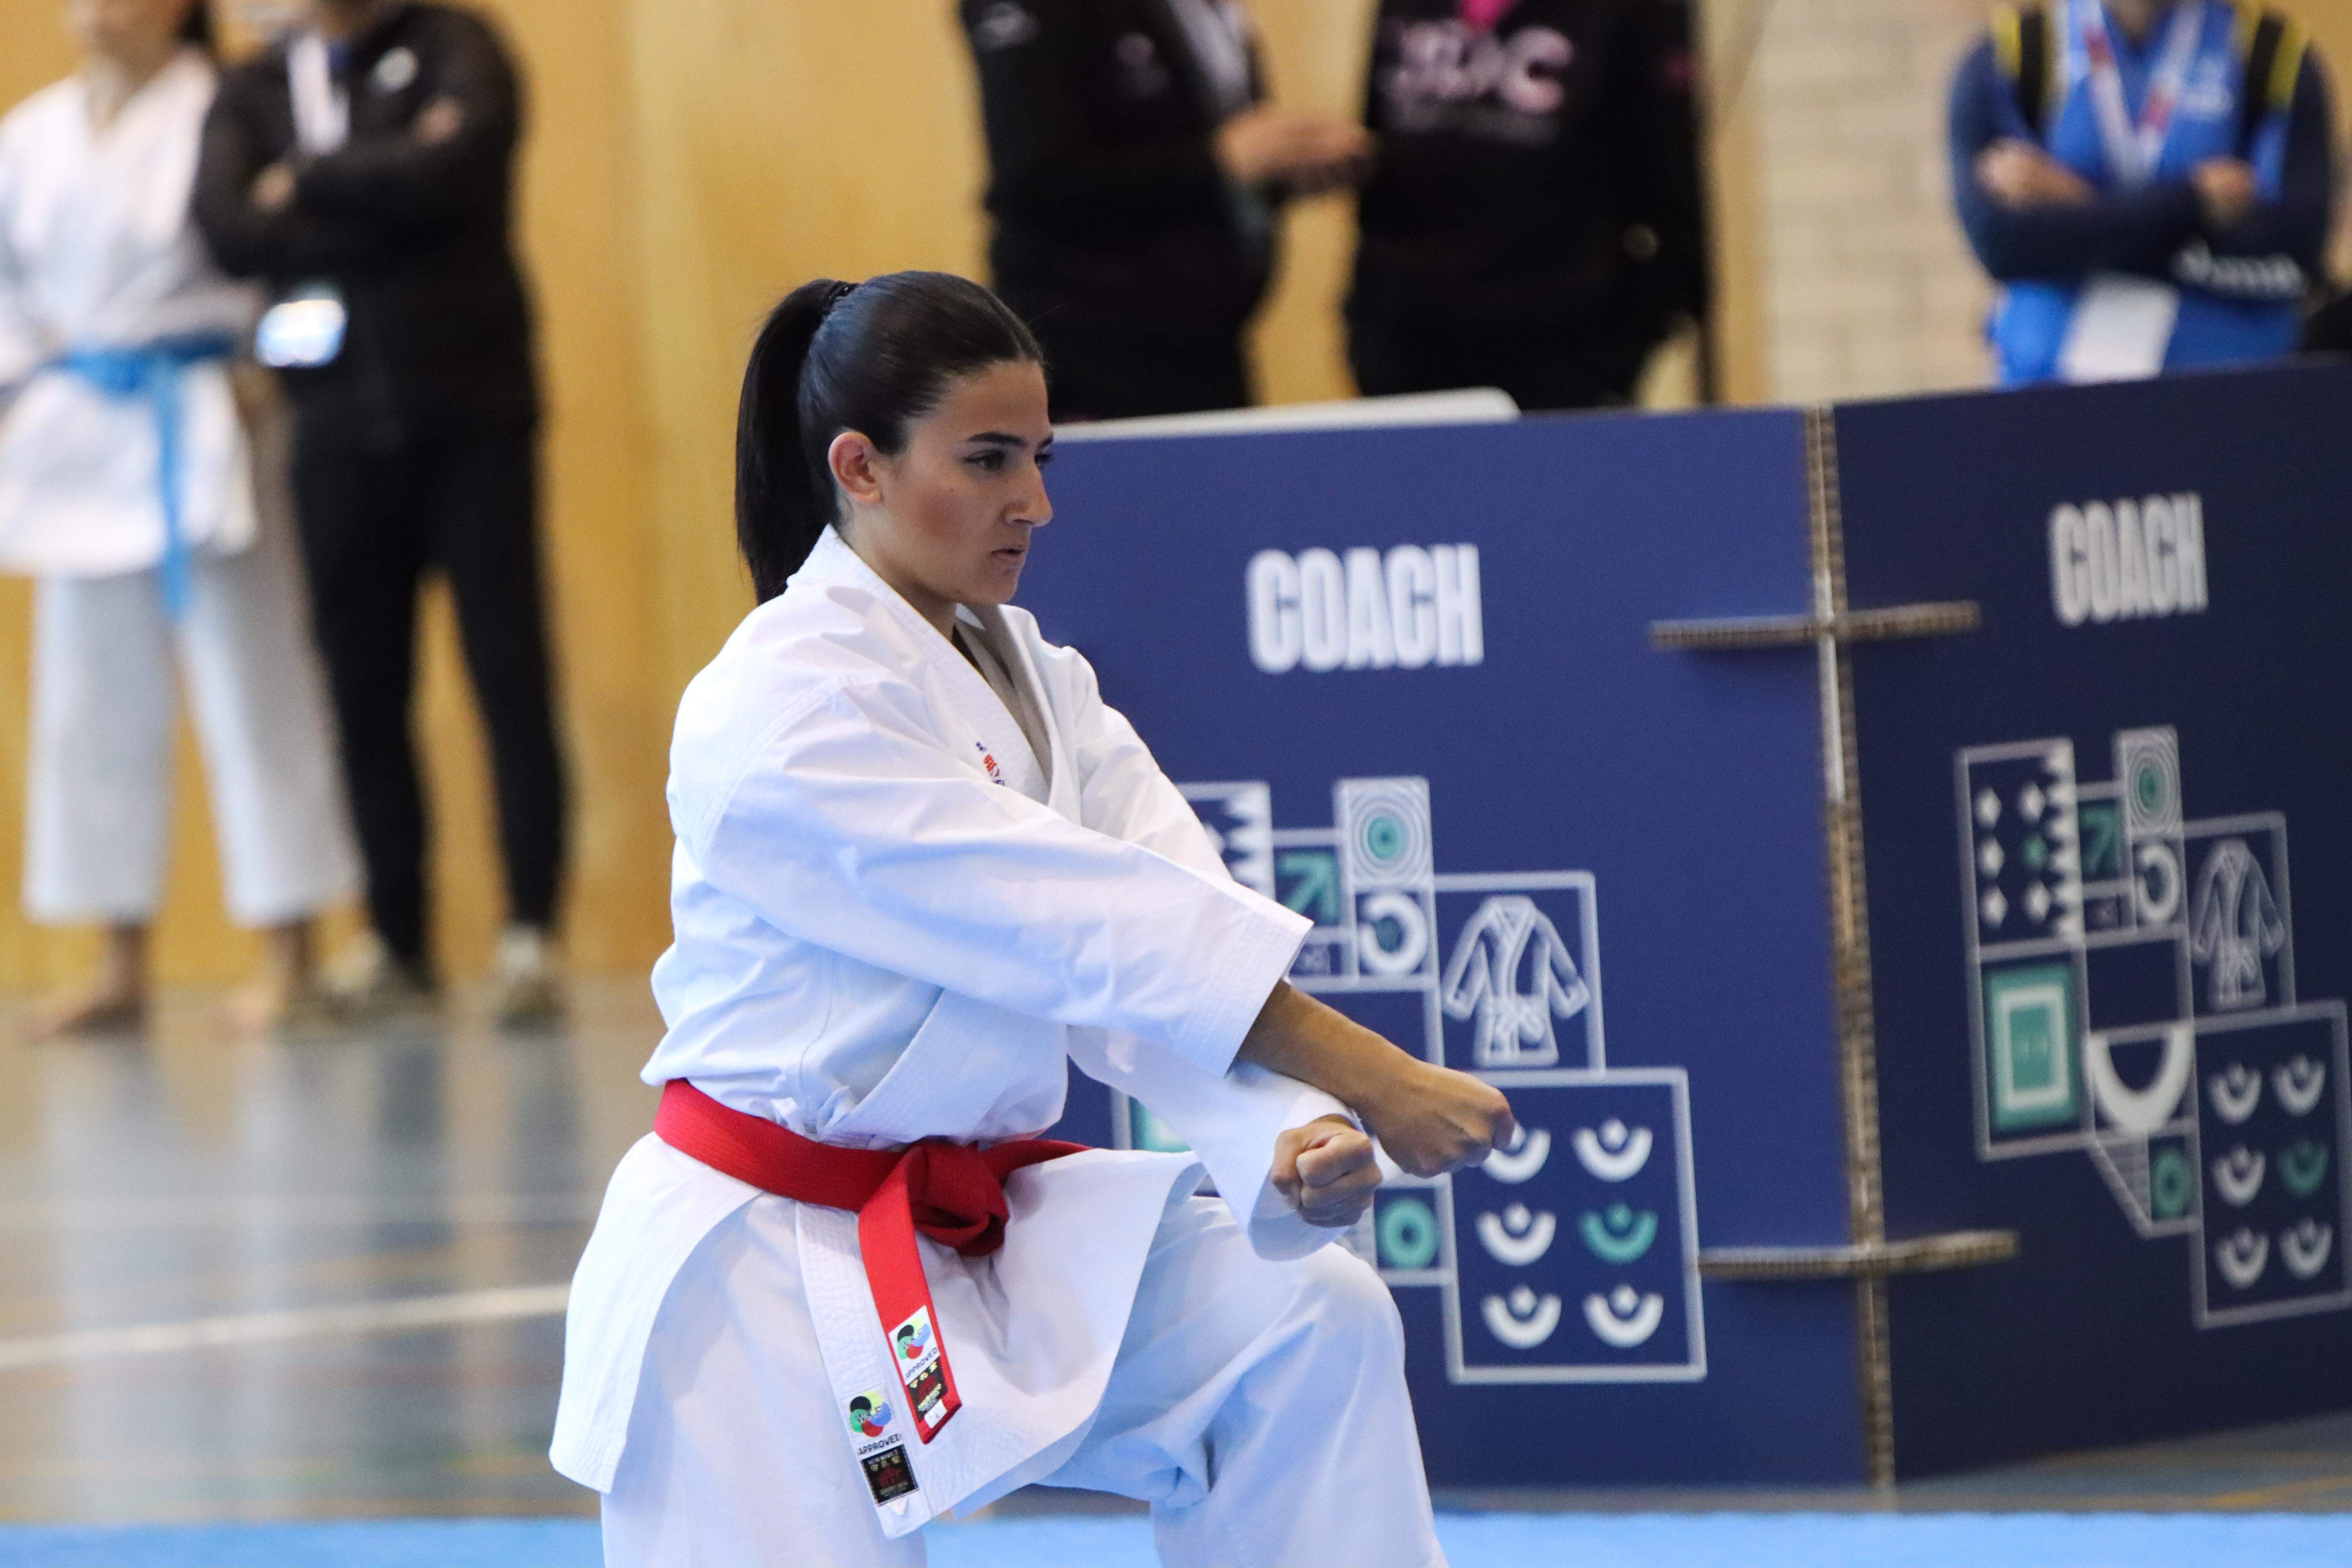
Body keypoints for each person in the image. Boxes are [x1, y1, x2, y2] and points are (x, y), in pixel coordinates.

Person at [551, 271, 1512, 1567]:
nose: (1035, 503)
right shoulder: (778, 707)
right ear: (862, 467)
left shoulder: (1037, 678)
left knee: (1302, 1319)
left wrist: (1290, 1128)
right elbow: (1072, 922)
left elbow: (1175, 908)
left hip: (975, 1239)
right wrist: (1371, 1070)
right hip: (760, 1279)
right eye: (988, 458)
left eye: (1040, 458)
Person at [190, 0, 567, 1023]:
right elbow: (227, 227)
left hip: (472, 415)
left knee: (508, 673)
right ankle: (395, 939)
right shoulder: (256, 85)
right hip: (334, 425)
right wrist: (384, 178)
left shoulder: (454, 46)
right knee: (361, 688)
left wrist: (308, 180)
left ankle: (531, 932)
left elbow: (455, 174)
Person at [0, 0, 358, 1036]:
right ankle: (117, 957)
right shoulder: (29, 137)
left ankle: (293, 950)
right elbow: (12, 299)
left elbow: (302, 257)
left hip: (209, 422)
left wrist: (271, 370)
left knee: (255, 684)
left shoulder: (231, 110)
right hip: (78, 433)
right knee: (88, 702)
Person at [961, 0, 1372, 421]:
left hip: (1208, 343)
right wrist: (1219, 163)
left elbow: (1180, 138)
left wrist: (1276, 174)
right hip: (1091, 356)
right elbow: (1033, 179)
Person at [1348, 0, 1710, 411]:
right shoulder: (1407, 10)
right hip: (1407, 349)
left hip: (1563, 355)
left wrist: (1627, 341)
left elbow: (1671, 190)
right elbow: (1376, 162)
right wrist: (1366, 323)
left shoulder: (1628, 13)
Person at [1950, 0, 2336, 386]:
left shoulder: (2269, 53)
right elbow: (2003, 247)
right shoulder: (2015, 53)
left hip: (2233, 391)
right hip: (2048, 391)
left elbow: (2294, 259)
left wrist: (2077, 207)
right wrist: (2192, 204)